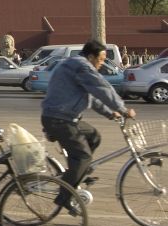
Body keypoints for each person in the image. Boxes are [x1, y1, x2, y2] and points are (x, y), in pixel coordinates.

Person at [41, 39, 135, 215]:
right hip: (59, 119)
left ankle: (76, 173)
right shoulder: (81, 66)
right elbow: (101, 88)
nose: (101, 64)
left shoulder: (77, 66)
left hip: (65, 118)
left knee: (94, 136)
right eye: (100, 60)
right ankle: (64, 196)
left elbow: (92, 96)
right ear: (91, 56)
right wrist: (122, 109)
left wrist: (109, 113)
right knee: (83, 156)